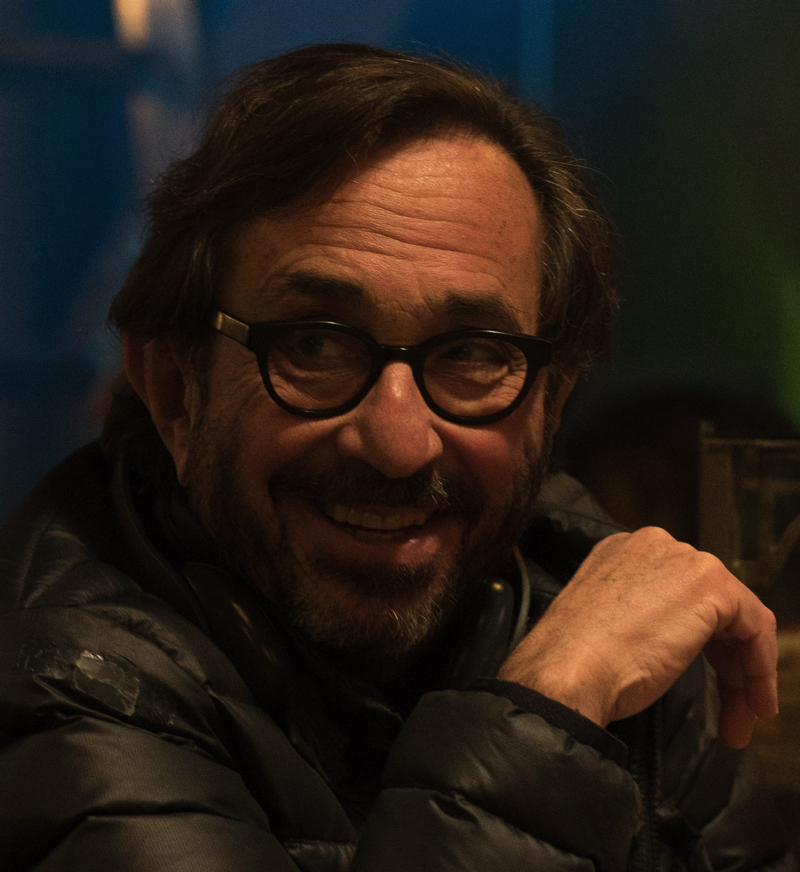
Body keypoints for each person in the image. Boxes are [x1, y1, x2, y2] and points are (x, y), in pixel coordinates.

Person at [0, 43, 792, 871]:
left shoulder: (611, 625)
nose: (398, 442)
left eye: (472, 353)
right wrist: (548, 709)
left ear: (551, 405)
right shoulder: (59, 682)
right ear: (175, 389)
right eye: (314, 345)